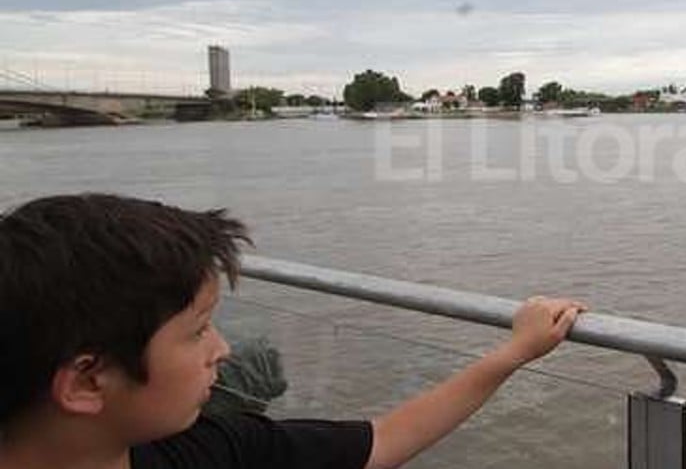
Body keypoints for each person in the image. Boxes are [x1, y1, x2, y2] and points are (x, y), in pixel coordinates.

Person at [0, 193, 586, 469]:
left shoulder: (216, 447)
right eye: (198, 331)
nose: (222, 349)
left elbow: (382, 441)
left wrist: (513, 353)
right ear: (86, 382)